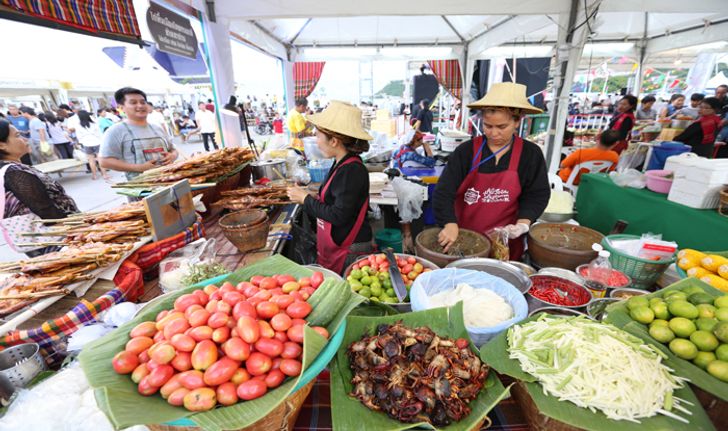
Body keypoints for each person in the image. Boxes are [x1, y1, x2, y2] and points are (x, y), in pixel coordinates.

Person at [433, 82, 550, 261]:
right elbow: (444, 191)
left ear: (517, 121)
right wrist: (449, 223)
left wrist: (523, 223)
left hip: (505, 243)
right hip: (463, 238)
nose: (493, 133)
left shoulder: (530, 154)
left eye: (502, 127)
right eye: (488, 126)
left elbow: (537, 194)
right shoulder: (466, 151)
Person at [286, 101, 373, 274]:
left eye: (317, 136)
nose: (316, 142)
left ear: (334, 141)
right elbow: (337, 198)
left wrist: (305, 199)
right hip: (340, 244)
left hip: (351, 249)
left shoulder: (351, 170)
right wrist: (310, 194)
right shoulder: (341, 163)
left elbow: (338, 215)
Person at [0, 120, 79, 256]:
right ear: (2, 145)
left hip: (52, 238)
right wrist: (76, 227)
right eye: (17, 135)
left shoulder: (12, 169)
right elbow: (44, 208)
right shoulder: (14, 171)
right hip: (55, 241)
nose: (25, 139)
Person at [100, 87, 178, 180]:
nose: (140, 106)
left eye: (142, 102)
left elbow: (173, 150)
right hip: (141, 189)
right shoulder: (115, 131)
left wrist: (172, 156)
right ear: (121, 107)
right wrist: (138, 168)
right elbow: (104, 161)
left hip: (169, 180)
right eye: (133, 102)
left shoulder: (157, 128)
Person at [75, 110, 109, 180]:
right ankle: (105, 175)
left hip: (87, 144)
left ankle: (94, 175)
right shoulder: (94, 123)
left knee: (91, 160)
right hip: (97, 142)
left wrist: (83, 142)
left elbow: (79, 137)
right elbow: (100, 133)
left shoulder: (78, 125)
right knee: (100, 159)